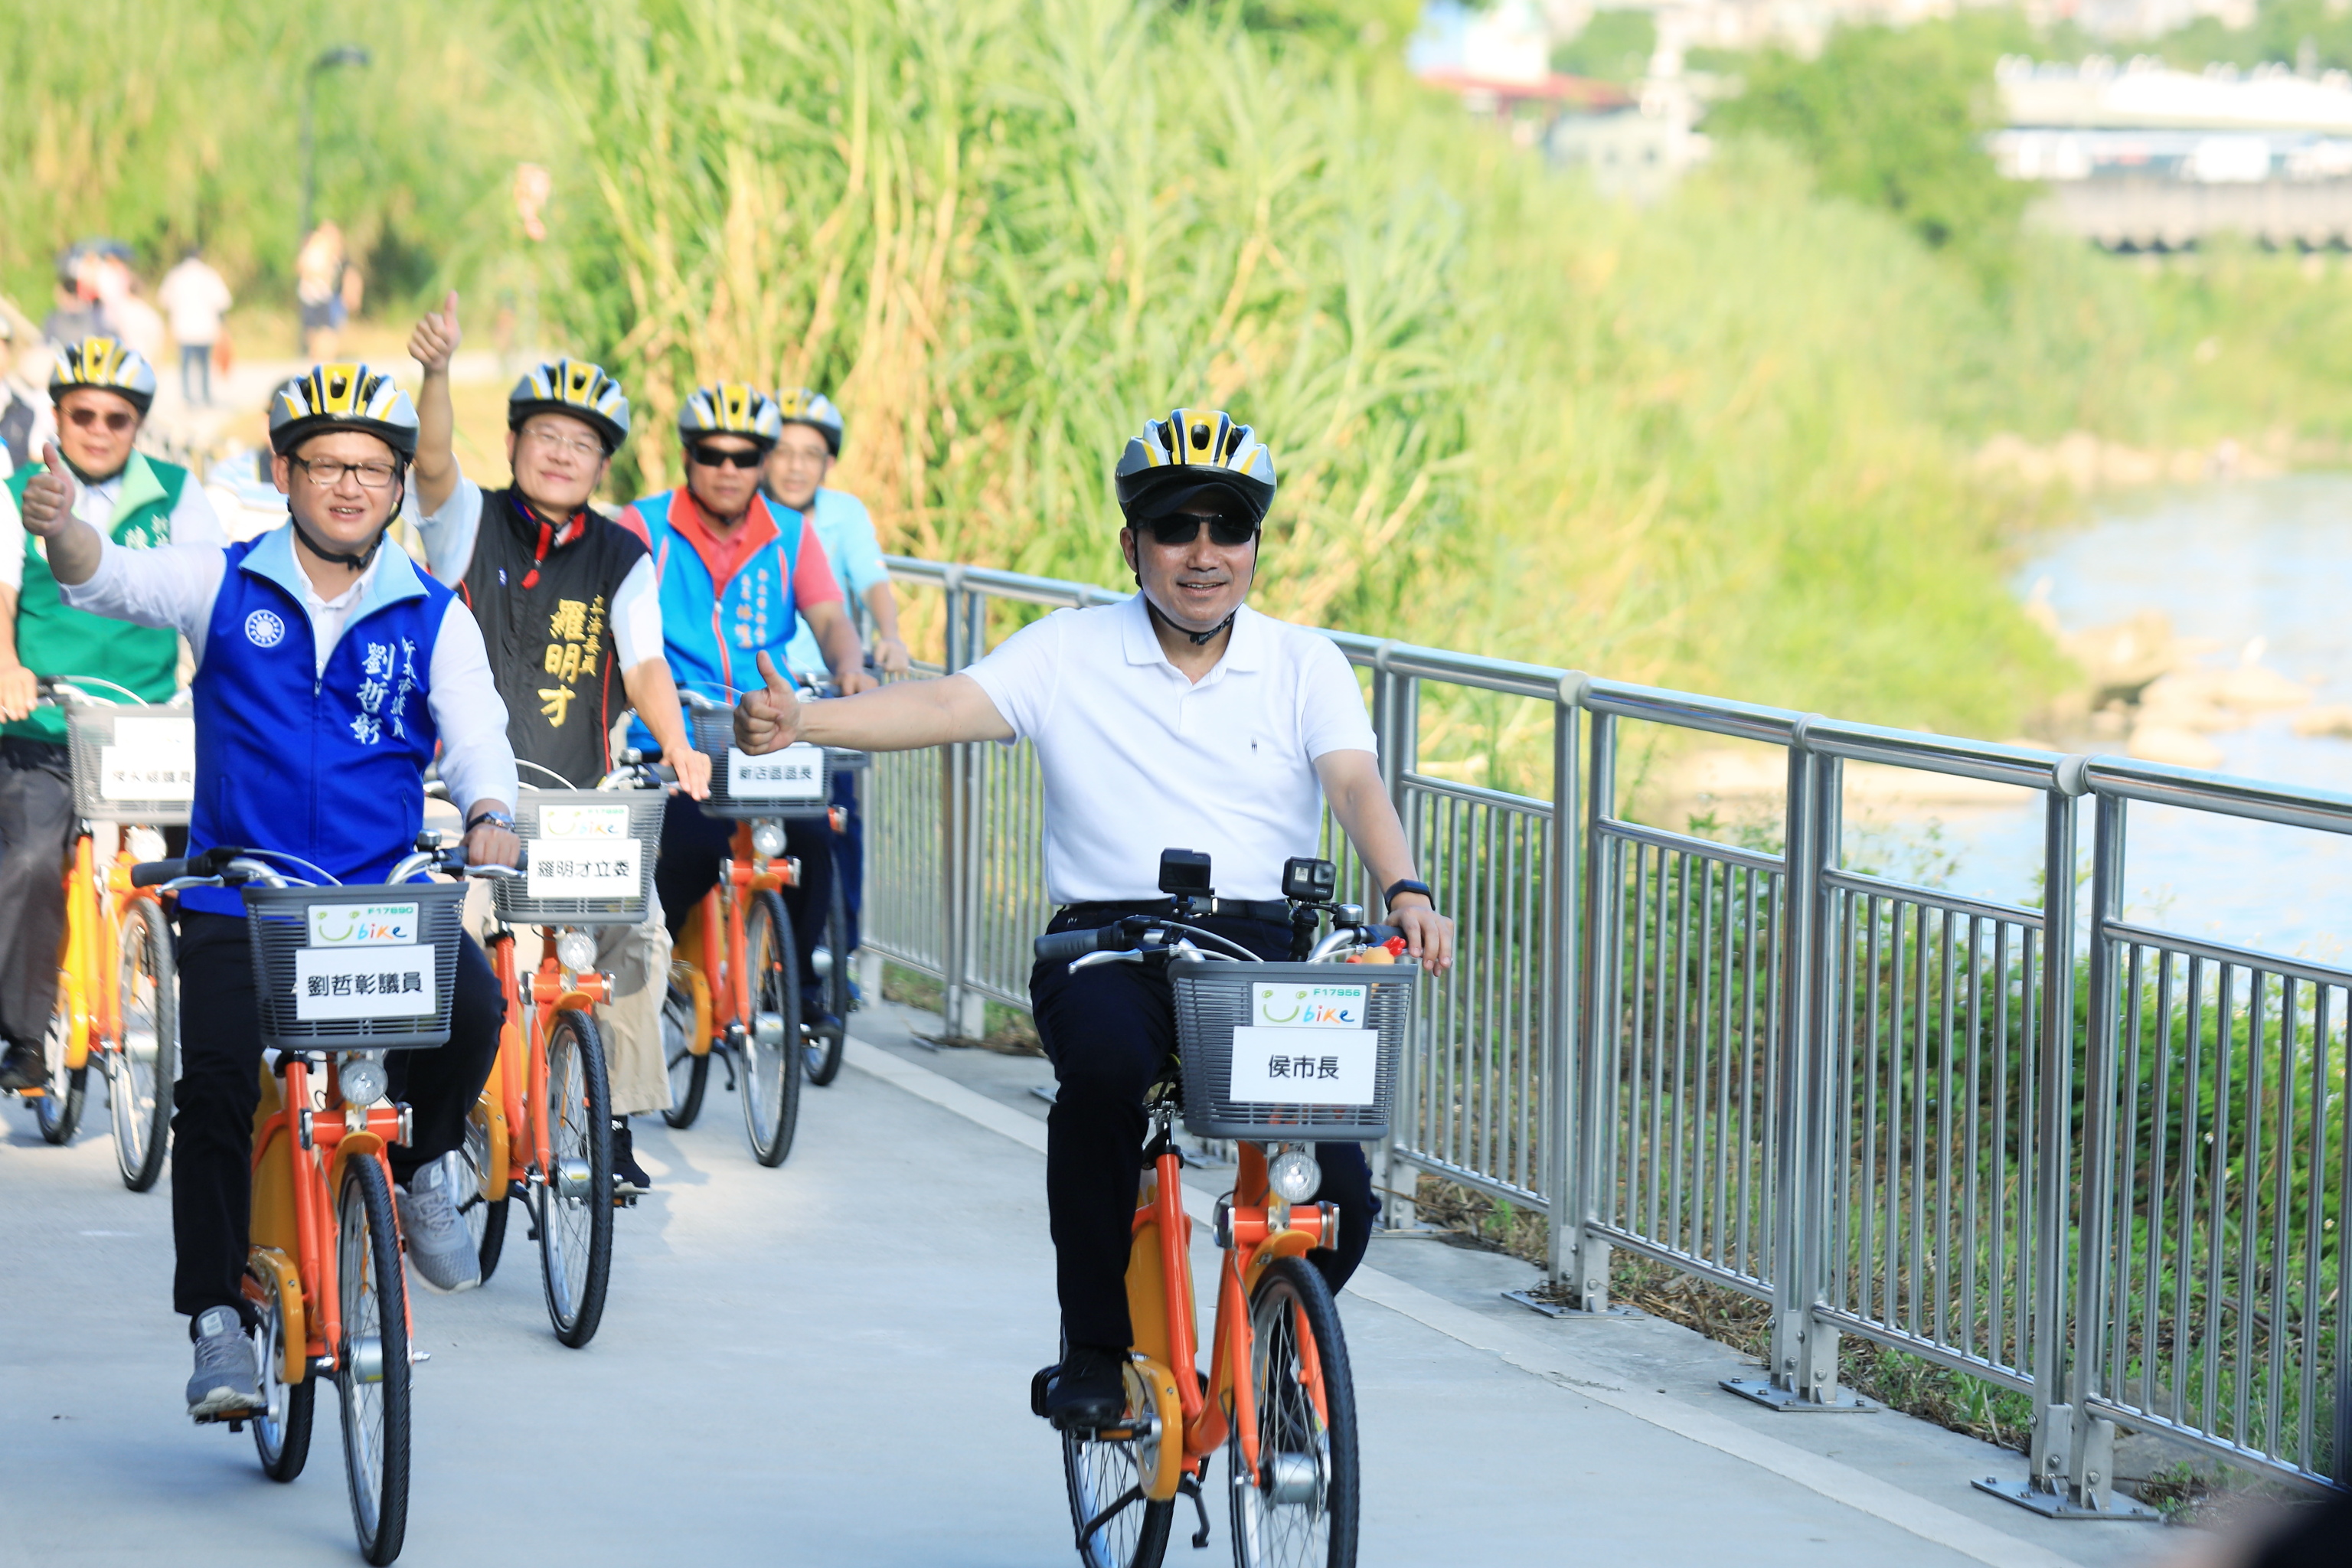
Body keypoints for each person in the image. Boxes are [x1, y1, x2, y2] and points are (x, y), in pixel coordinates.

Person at [733, 407, 1456, 1428]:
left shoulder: (1305, 663)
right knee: (1107, 1081)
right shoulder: (1071, 649)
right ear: (1132, 545)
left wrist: (1405, 890)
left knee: (1338, 1193)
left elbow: (1355, 784)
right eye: (1175, 529)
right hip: (1108, 949)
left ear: (1255, 543)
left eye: (1228, 528)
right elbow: (944, 709)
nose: (1203, 554)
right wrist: (807, 720)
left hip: (1260, 954)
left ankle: (1275, 1346)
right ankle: (1097, 1348)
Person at [15, 361, 522, 1414]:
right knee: (210, 1092)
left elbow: (479, 739)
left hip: (374, 903)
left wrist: (491, 816)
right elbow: (108, 578)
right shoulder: (222, 578)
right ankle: (214, 1320)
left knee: (479, 1005)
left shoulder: (435, 614)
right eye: (329, 464)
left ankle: (424, 1164)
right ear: (285, 472)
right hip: (236, 899)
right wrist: (62, 528)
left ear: (395, 489)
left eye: (374, 469)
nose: (351, 486)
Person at [407, 292, 710, 1191]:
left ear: (602, 462)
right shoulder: (469, 520)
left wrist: (680, 744)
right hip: (465, 797)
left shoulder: (623, 555)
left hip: (577, 796)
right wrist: (435, 372)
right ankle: (442, 1114)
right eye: (546, 434)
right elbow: (428, 467)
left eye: (583, 443)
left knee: (636, 928)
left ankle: (607, 1111)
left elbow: (648, 664)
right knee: (447, 940)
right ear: (513, 444)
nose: (563, 452)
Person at [0, 340, 224, 1093]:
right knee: (31, 863)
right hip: (45, 729)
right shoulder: (21, 488)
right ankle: (25, 1035)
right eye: (82, 413)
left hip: (148, 728)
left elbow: (209, 597)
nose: (98, 429)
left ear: (138, 424)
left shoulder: (176, 492)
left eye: (117, 417)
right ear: (56, 417)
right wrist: (9, 664)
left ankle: (220, 1024)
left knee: (216, 864)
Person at [620, 384, 873, 1016]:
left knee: (815, 840)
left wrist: (851, 667)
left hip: (763, 736)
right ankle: (654, 976)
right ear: (687, 457)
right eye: (712, 454)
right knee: (687, 847)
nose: (728, 469)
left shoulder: (791, 533)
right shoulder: (644, 524)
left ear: (763, 461)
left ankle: (787, 978)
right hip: (670, 739)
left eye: (744, 456)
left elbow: (830, 617)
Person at [765, 387, 909, 971]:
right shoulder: (746, 513)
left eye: (811, 454)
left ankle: (835, 956)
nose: (796, 465)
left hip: (826, 689)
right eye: (783, 450)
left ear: (827, 464)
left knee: (835, 820)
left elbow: (872, 583)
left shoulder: (843, 513)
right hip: (760, 691)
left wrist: (890, 633)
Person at [157, 247, 232, 407]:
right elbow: (223, 301)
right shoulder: (209, 275)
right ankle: (205, 395)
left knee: (185, 365)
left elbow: (164, 299)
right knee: (204, 364)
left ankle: (188, 397)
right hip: (205, 327)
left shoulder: (176, 275)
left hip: (183, 327)